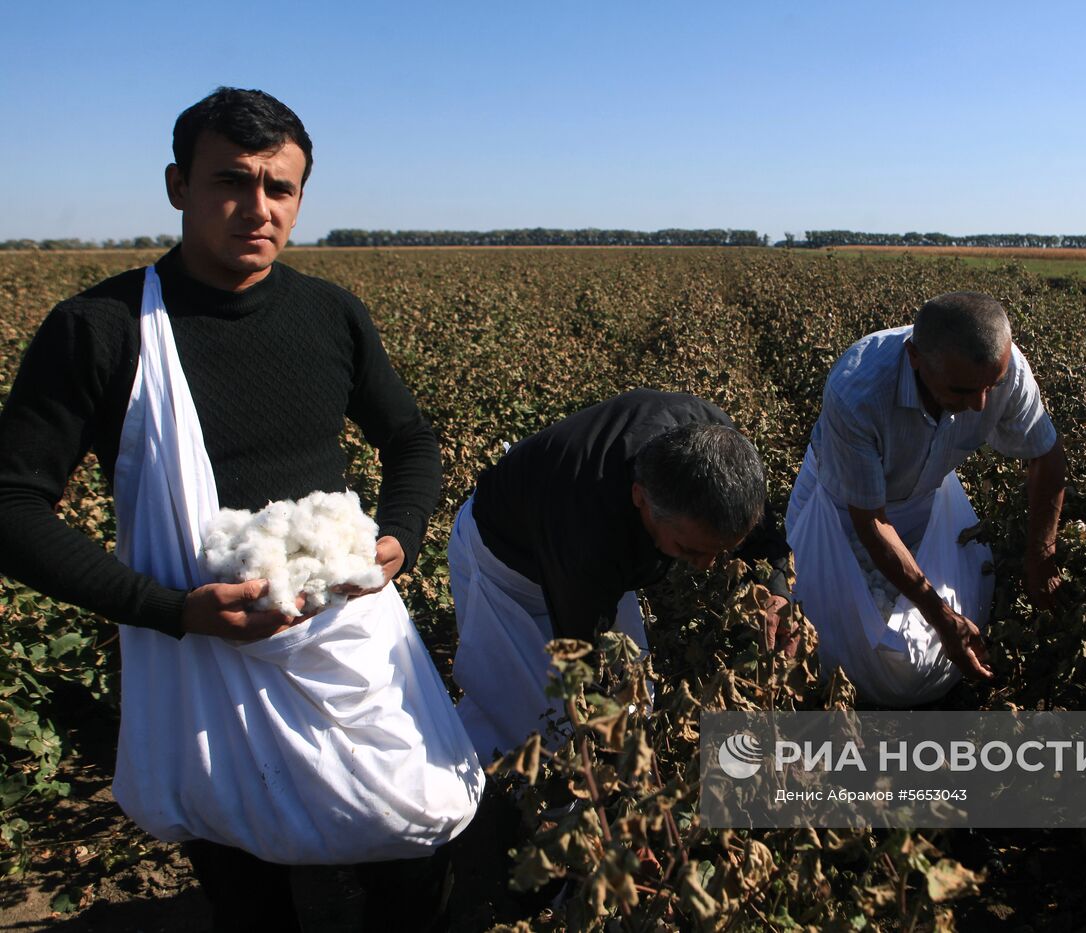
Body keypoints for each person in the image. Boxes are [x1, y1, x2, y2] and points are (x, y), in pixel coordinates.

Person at [0, 87, 480, 931]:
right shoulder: (100, 331)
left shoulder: (330, 315)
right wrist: (172, 610)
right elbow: (9, 505)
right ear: (177, 184)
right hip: (201, 651)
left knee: (413, 848)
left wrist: (398, 536)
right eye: (231, 180)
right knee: (248, 883)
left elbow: (409, 438)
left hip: (347, 636)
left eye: (279, 188)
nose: (257, 208)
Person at [449, 387, 793, 760]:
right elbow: (582, 660)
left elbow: (761, 536)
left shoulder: (718, 452)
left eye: (719, 551)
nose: (706, 565)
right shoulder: (588, 531)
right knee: (536, 725)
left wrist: (775, 591)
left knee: (632, 703)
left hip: (569, 538)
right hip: (505, 568)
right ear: (640, 498)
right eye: (690, 550)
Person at [786, 292, 1066, 707]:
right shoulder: (858, 391)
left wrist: (1041, 554)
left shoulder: (1006, 371)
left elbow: (1047, 455)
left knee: (907, 632)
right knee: (819, 622)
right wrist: (942, 617)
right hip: (840, 505)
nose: (980, 404)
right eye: (963, 390)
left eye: (991, 385)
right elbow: (871, 522)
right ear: (915, 356)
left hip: (925, 495)